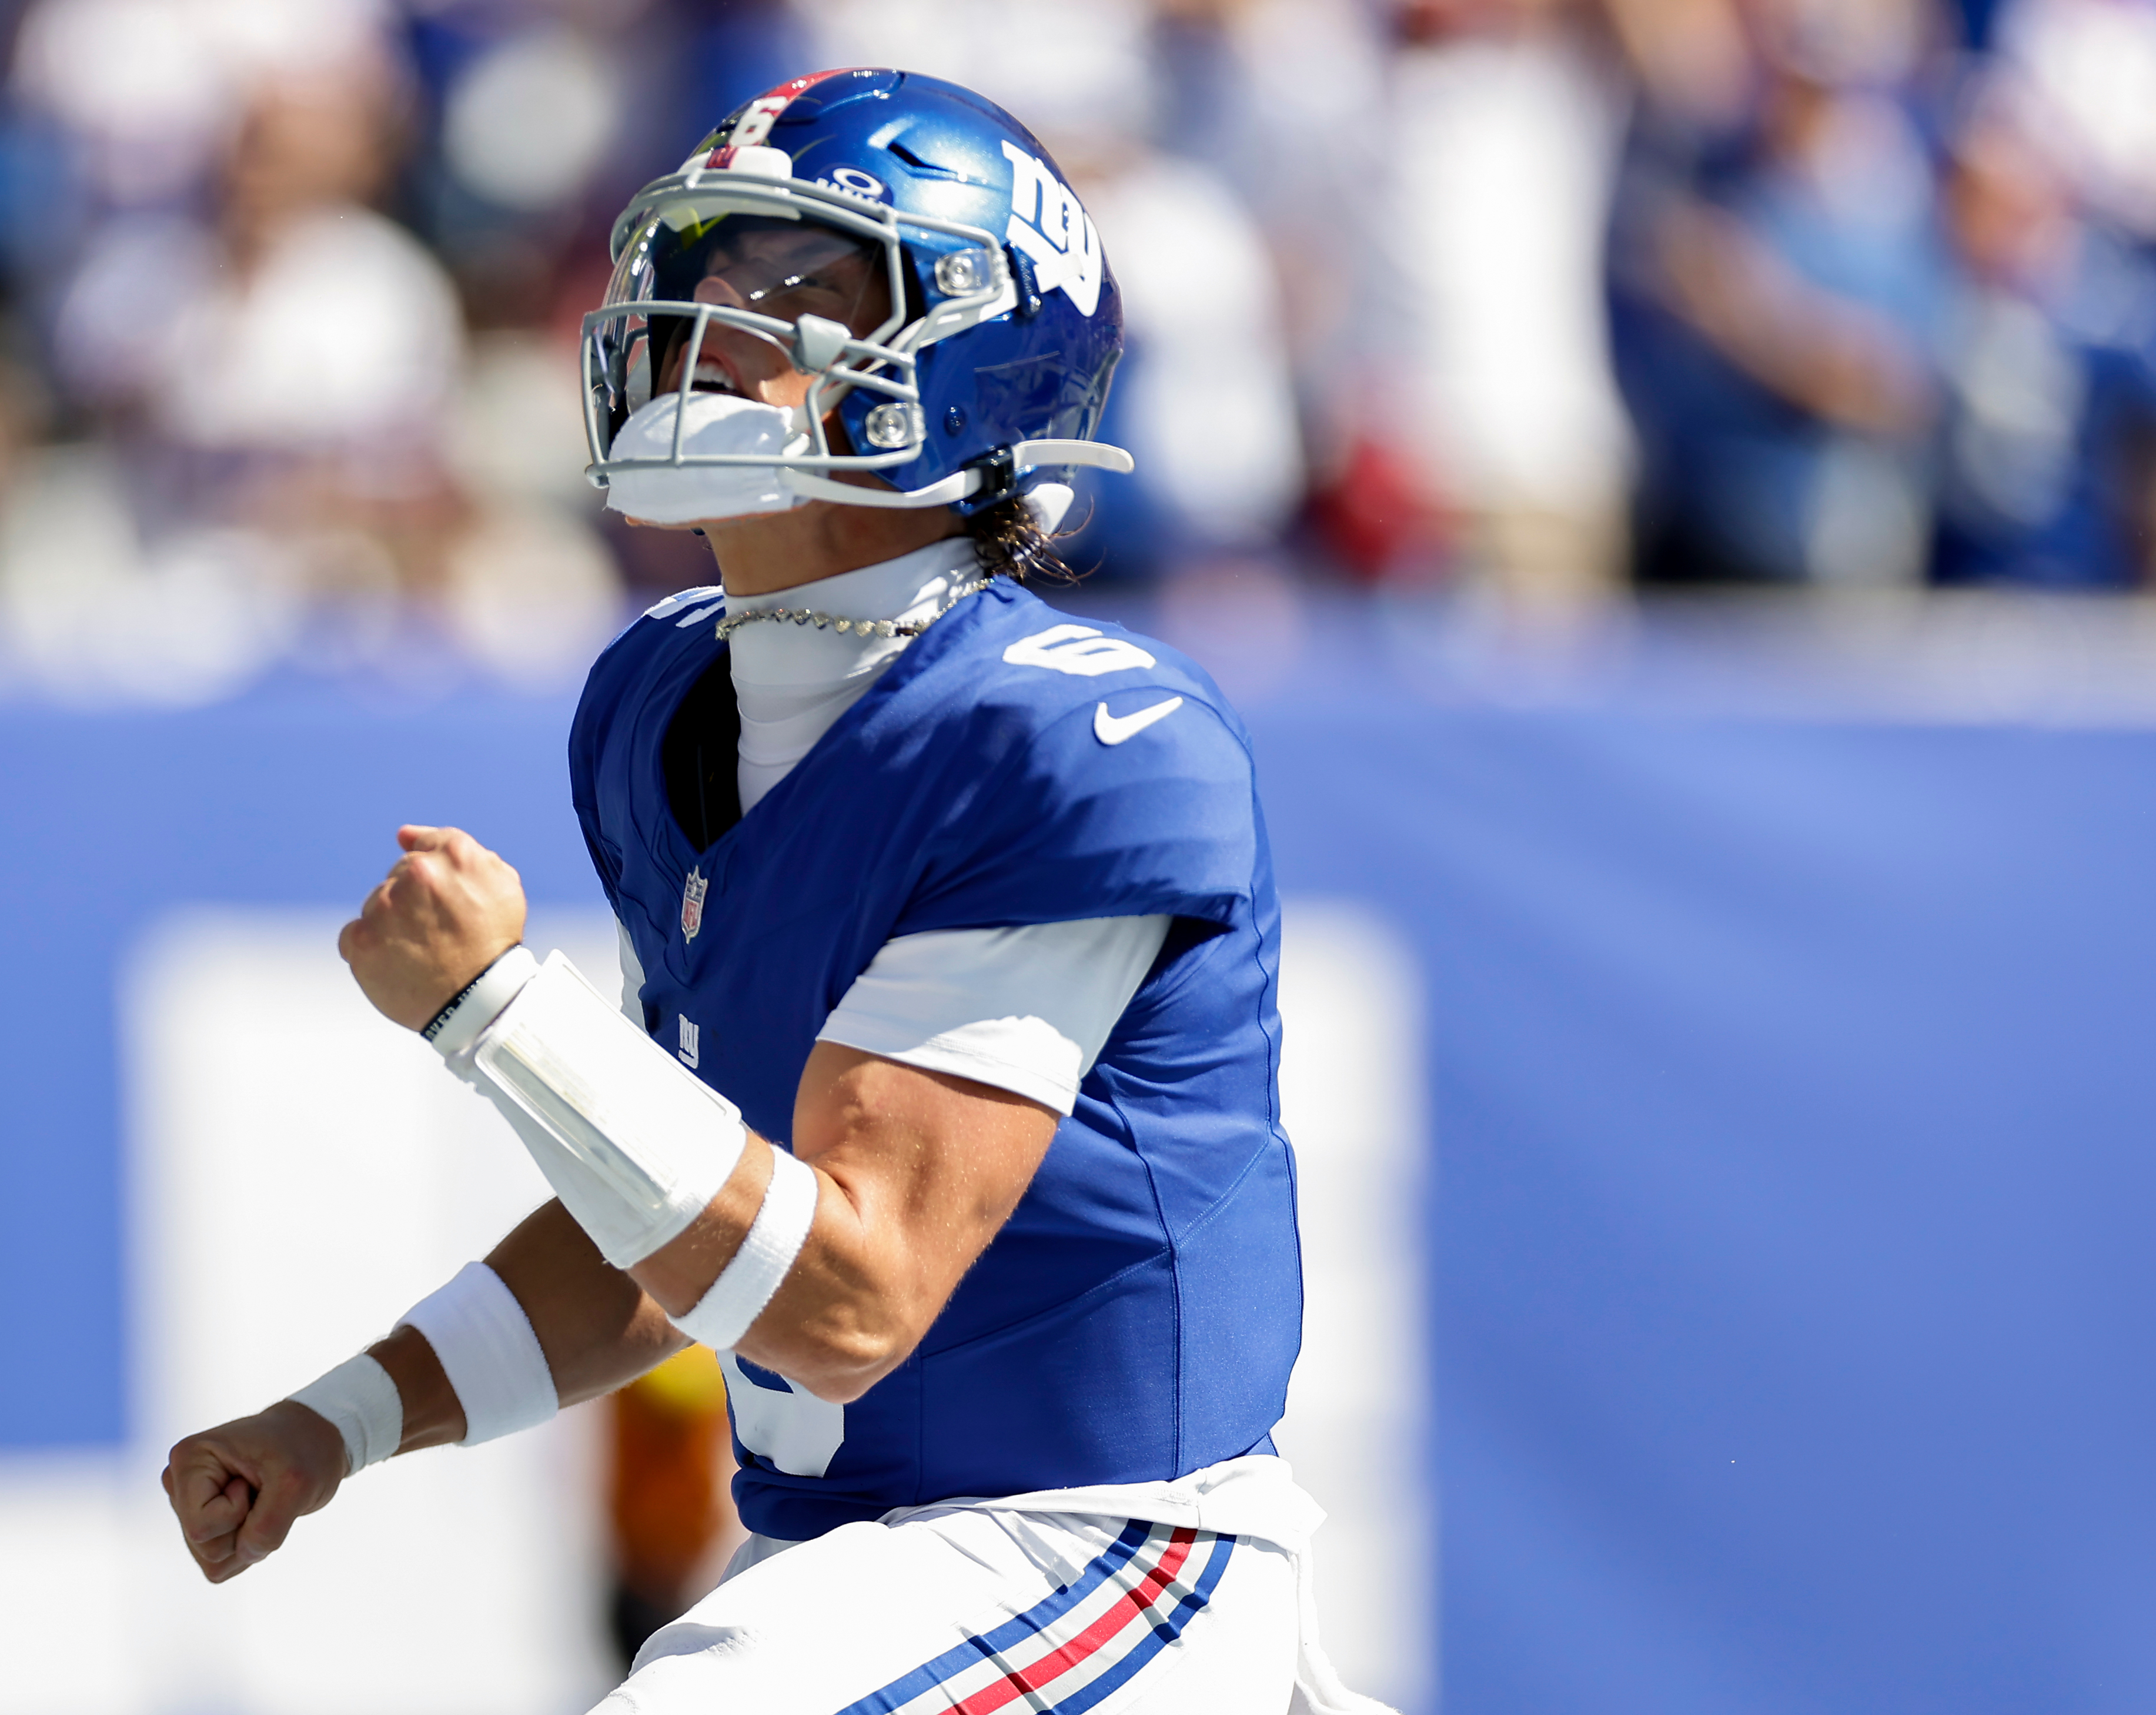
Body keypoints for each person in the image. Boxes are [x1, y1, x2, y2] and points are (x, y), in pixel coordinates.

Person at [163, 68, 1390, 1714]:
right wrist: (344, 1421)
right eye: (708, 271)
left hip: (1100, 1548)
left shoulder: (1075, 737)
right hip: (860, 1563)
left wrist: (494, 1013)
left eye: (803, 283)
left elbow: (843, 1300)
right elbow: (665, 1234)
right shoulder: (660, 704)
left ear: (974, 349)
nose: (713, 322)